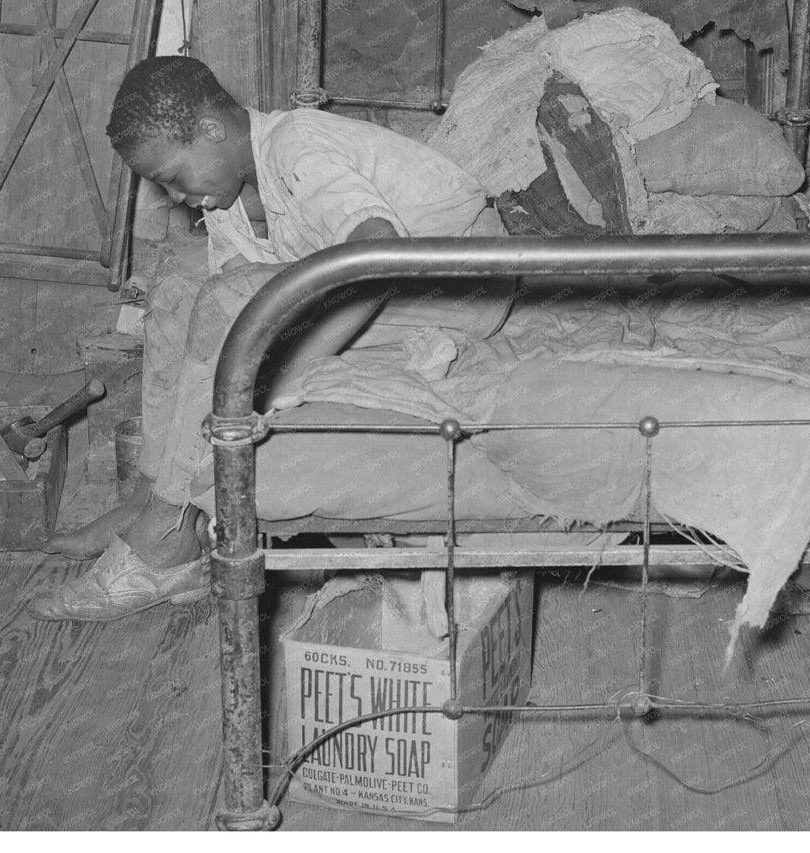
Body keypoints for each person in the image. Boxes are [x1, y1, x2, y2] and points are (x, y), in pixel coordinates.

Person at [28, 56, 508, 621]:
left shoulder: (297, 145)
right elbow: (224, 304)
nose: (178, 198)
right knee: (180, 288)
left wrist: (291, 374)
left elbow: (374, 255)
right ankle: (151, 493)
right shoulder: (230, 193)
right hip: (379, 282)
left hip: (457, 282)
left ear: (212, 130)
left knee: (221, 300)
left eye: (175, 180)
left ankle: (169, 532)